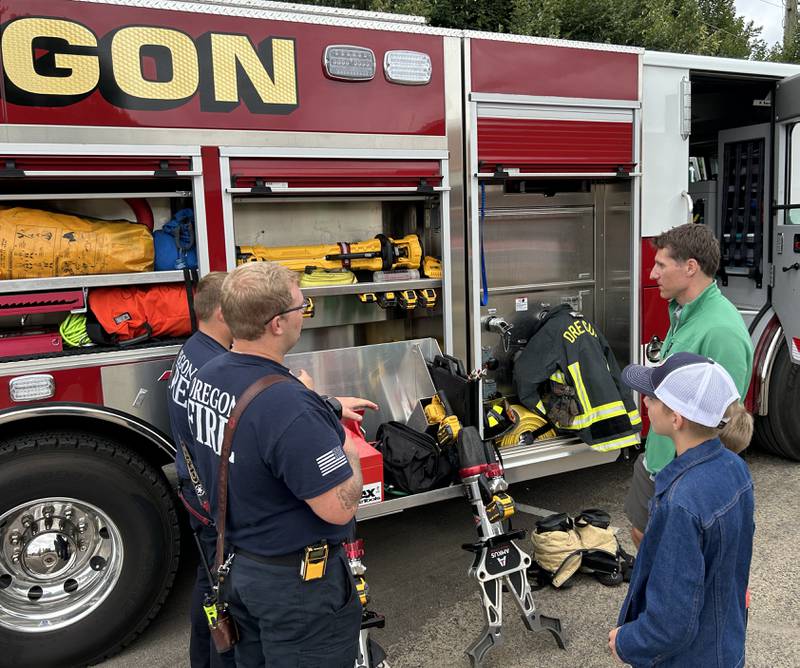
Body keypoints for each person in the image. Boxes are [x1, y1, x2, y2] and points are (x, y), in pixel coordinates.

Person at [186, 261, 376, 667]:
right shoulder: (289, 405)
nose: (303, 314)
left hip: (240, 570)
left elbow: (257, 432)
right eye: (301, 307)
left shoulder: (208, 374)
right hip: (296, 592)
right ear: (276, 323)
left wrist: (316, 405)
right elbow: (340, 507)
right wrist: (344, 440)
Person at [609, 352, 755, 667]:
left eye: (653, 397)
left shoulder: (680, 502)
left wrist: (627, 641)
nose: (645, 401)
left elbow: (670, 622)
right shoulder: (736, 468)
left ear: (676, 419)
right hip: (725, 646)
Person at [626, 223, 753, 547]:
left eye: (661, 265)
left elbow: (724, 422)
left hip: (681, 475)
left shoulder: (721, 331)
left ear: (691, 267)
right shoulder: (685, 313)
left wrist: (692, 486)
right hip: (658, 460)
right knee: (642, 537)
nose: (652, 274)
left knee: (676, 558)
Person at [167, 272, 236, 668]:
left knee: (208, 582)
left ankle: (202, 660)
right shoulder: (216, 366)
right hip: (211, 500)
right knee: (222, 594)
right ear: (224, 312)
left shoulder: (194, 349)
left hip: (196, 493)